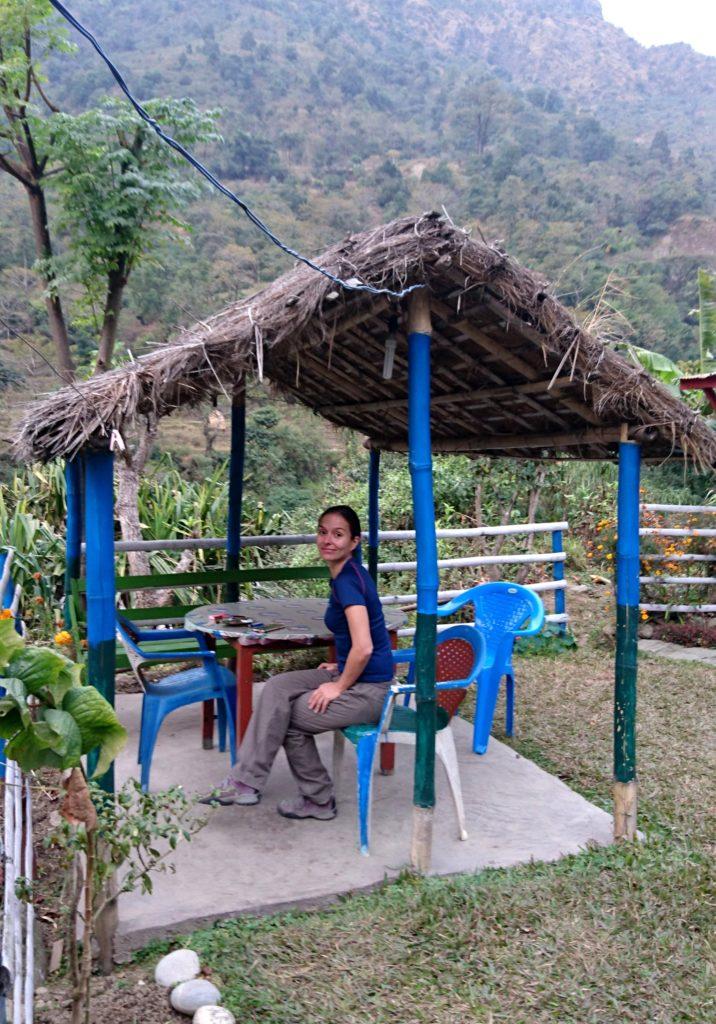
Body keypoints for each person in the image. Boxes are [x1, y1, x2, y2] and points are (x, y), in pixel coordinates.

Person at [202, 505, 394, 820]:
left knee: (289, 718)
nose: (328, 540)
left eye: (338, 534)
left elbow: (364, 647)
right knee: (277, 687)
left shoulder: (348, 582)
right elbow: (357, 645)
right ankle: (244, 782)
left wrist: (339, 685)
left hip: (369, 690)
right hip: (353, 675)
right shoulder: (347, 576)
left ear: (354, 542)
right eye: (322, 532)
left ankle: (318, 800)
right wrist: (338, 669)